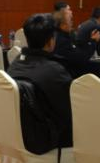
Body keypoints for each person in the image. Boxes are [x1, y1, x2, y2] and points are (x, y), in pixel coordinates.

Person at [7, 13, 74, 153]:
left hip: (17, 136)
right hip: (45, 141)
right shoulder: (54, 71)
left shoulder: (15, 65)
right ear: (50, 41)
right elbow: (70, 110)